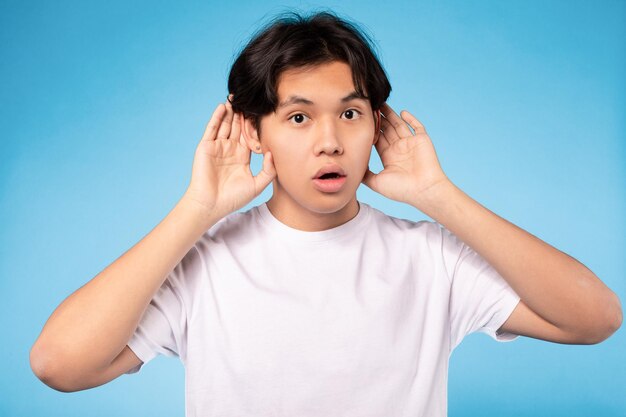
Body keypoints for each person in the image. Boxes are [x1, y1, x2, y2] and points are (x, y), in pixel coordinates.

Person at [30, 10, 622, 417]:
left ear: (377, 125)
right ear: (252, 130)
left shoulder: (431, 257)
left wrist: (437, 194)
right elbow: (59, 363)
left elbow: (595, 318)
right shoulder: (202, 265)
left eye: (350, 113)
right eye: (298, 117)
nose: (330, 142)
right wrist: (197, 210)